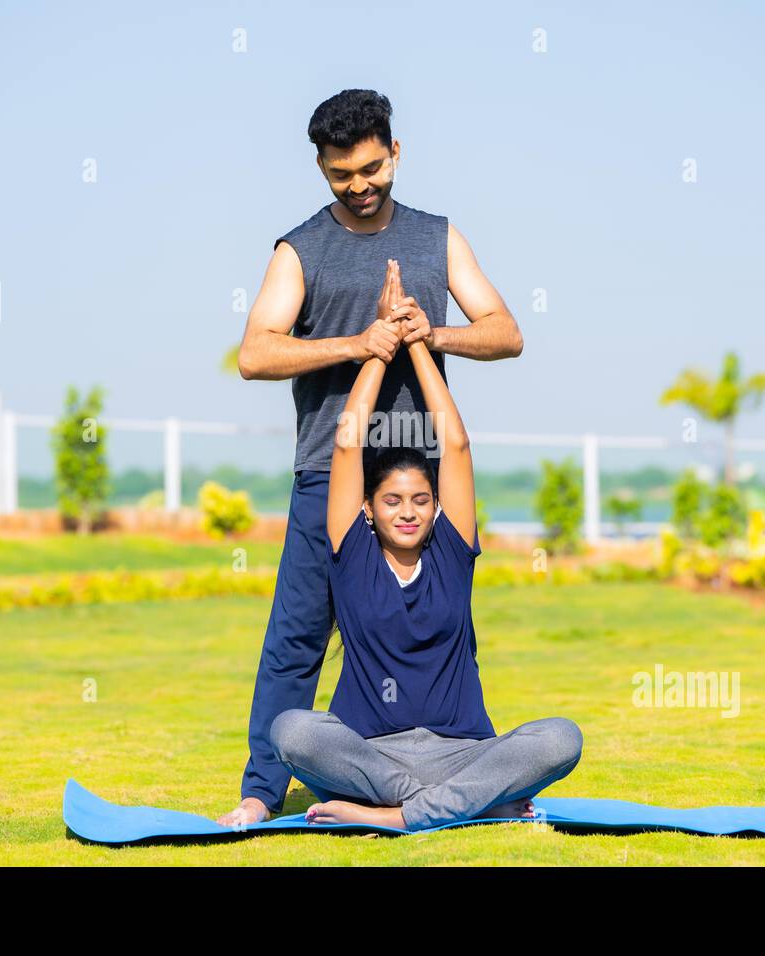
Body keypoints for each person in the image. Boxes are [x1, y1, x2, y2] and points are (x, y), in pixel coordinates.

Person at [218, 89, 525, 828]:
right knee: (295, 639)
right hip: (332, 471)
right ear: (321, 168)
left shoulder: (436, 238)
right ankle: (261, 792)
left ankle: (465, 771)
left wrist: (431, 332)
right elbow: (255, 353)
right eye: (339, 174)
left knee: (448, 635)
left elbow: (506, 332)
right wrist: (361, 342)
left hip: (420, 478)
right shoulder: (299, 249)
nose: (357, 185)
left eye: (369, 168)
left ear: (395, 153)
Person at [265, 259, 582, 830]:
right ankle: (454, 805)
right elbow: (345, 443)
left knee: (561, 738)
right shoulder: (352, 553)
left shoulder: (451, 554)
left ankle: (401, 814)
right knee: (291, 730)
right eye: (392, 501)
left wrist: (419, 340)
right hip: (368, 755)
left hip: (462, 752)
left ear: (436, 506)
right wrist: (378, 346)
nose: (408, 512)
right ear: (367, 508)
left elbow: (454, 444)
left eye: (419, 500)